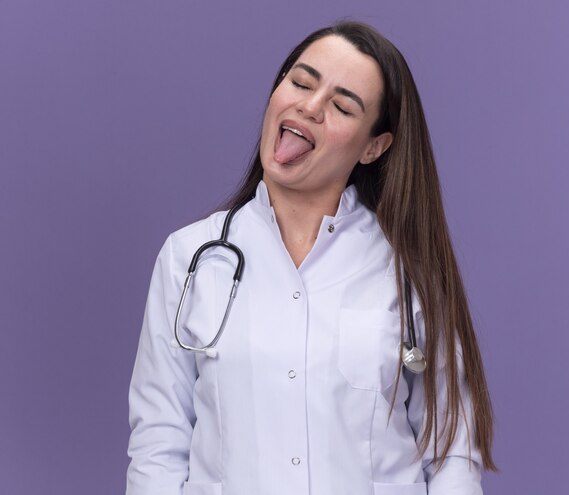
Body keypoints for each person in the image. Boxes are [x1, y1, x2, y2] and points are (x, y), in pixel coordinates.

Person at [126, 21, 496, 495]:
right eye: (301, 82)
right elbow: (159, 442)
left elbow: (451, 449)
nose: (311, 106)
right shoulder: (189, 259)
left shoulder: (408, 269)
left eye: (342, 106)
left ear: (373, 147)